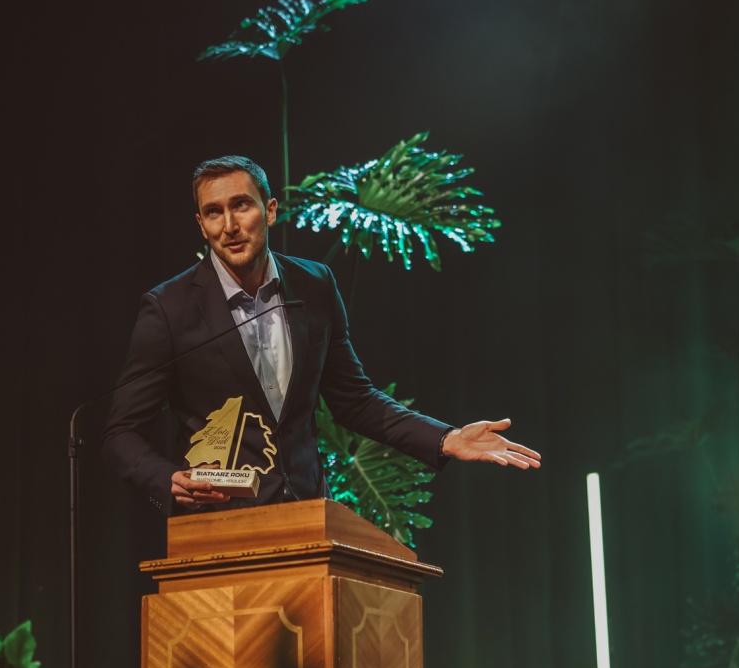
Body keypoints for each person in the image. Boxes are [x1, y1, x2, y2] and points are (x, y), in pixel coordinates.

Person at [102, 155, 540, 512]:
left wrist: (446, 439)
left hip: (308, 517)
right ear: (201, 224)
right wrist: (167, 480)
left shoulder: (314, 286)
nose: (229, 225)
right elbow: (121, 433)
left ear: (270, 210)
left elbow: (355, 400)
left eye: (241, 205)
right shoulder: (169, 307)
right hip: (216, 524)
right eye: (214, 212)